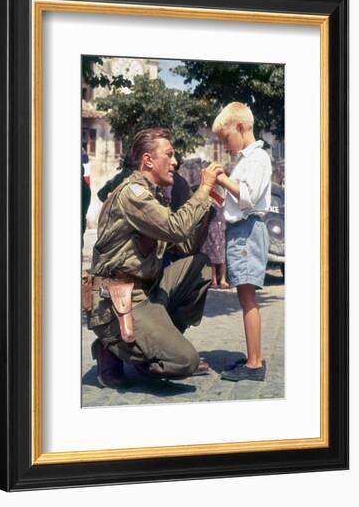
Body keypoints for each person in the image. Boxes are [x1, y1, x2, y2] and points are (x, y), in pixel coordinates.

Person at [88, 128, 221, 388]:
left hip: (146, 291)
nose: (175, 162)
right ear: (148, 160)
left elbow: (185, 246)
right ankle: (113, 347)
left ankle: (156, 345)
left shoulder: (153, 195)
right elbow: (175, 227)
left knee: (200, 266)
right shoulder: (133, 194)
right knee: (186, 361)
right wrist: (203, 188)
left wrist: (206, 212)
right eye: (169, 155)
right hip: (119, 298)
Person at [212, 102, 272, 381]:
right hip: (241, 231)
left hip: (248, 231)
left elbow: (246, 197)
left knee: (248, 297)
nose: (225, 146)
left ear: (239, 127)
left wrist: (223, 178)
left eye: (226, 139)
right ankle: (253, 356)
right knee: (243, 295)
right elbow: (234, 201)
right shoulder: (247, 160)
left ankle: (255, 364)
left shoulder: (258, 158)